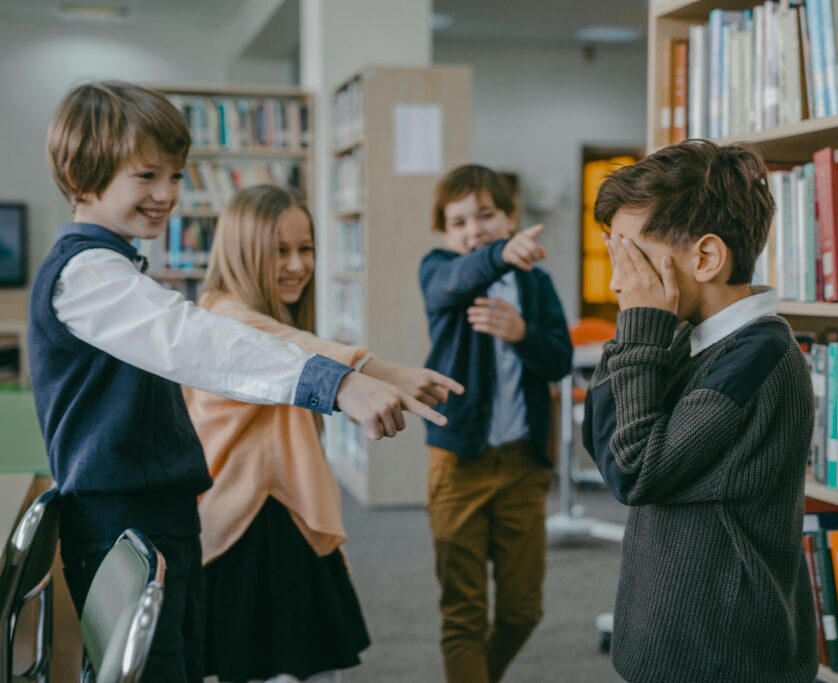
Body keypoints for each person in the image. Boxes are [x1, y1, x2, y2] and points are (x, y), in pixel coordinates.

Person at [29, 80, 445, 682]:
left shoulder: (114, 265)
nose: (167, 194)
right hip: (123, 521)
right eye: (147, 176)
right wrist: (337, 383)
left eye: (175, 176)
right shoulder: (87, 274)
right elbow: (194, 339)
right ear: (84, 170)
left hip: (154, 514)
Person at [184, 184, 463, 682]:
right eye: (279, 252)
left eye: (305, 249)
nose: (296, 265)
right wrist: (375, 370)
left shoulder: (254, 313)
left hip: (279, 511)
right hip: (249, 523)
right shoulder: (222, 317)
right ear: (242, 252)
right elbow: (285, 347)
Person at [583, 140, 818, 683]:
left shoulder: (759, 358)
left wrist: (641, 327)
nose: (619, 281)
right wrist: (639, 333)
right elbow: (606, 437)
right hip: (672, 636)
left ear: (706, 258)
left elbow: (634, 471)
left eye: (632, 257)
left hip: (720, 653)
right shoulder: (692, 339)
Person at [419, 164, 572, 682]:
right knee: (463, 614)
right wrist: (496, 257)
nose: (474, 229)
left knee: (521, 611)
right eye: (458, 221)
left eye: (485, 216)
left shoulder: (536, 284)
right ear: (445, 232)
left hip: (523, 468)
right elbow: (453, 282)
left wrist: (523, 333)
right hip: (458, 466)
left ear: (510, 217)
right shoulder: (440, 269)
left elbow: (558, 361)